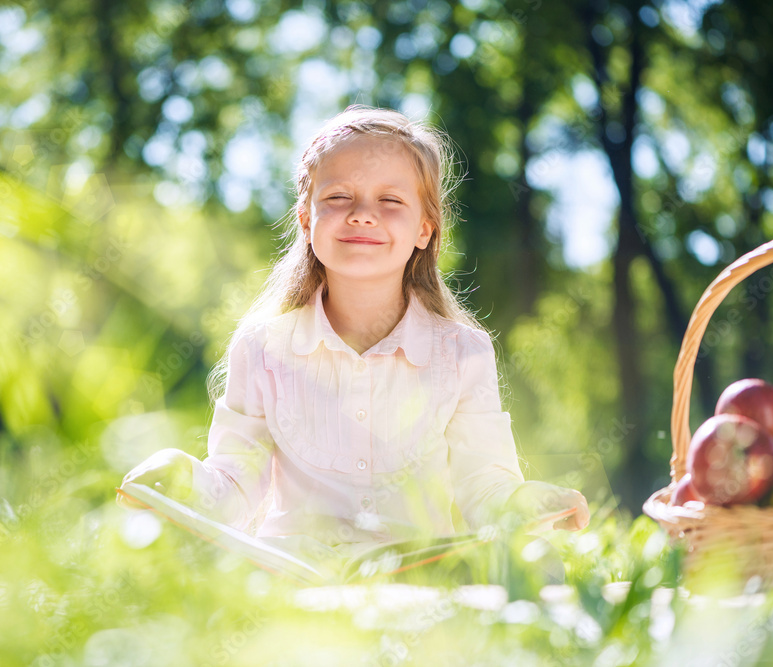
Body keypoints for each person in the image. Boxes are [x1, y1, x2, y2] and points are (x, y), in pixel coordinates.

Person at [119, 105, 589, 554]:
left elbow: (483, 486)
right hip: (294, 576)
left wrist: (528, 503)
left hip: (422, 573)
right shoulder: (263, 347)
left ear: (424, 230)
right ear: (307, 219)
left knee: (537, 565)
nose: (363, 214)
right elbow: (236, 485)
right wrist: (180, 476)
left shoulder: (463, 353)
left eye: (390, 200)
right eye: (338, 197)